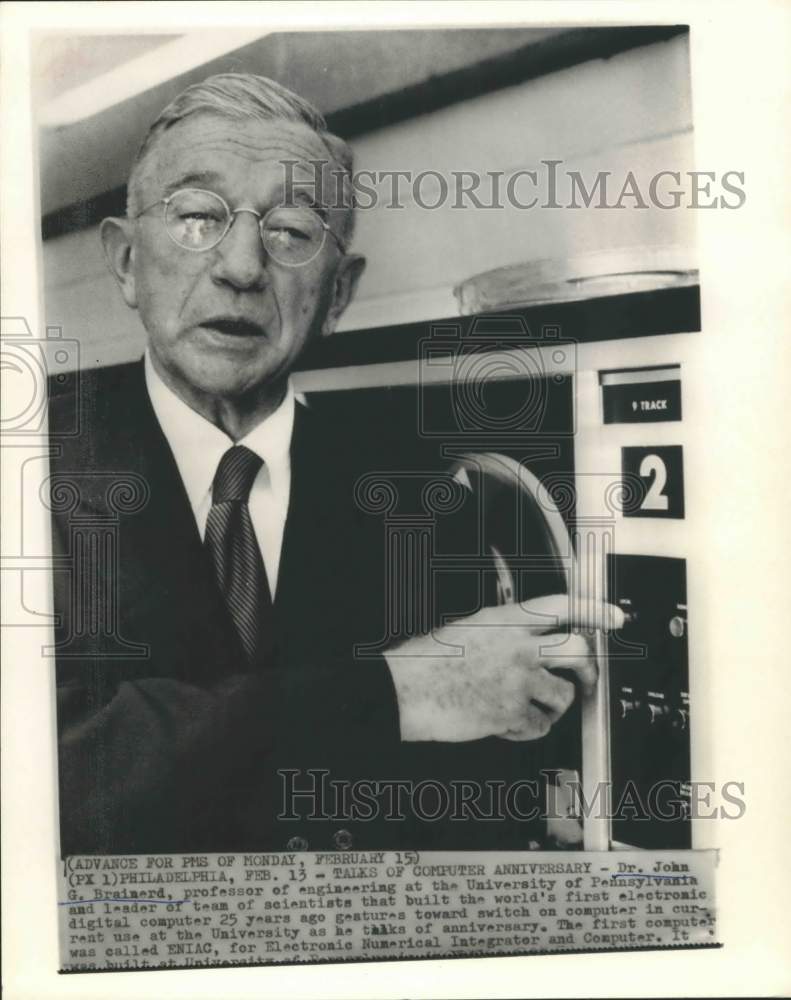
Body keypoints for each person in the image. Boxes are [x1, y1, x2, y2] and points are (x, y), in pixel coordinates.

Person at [48, 73, 621, 856]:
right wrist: (393, 696)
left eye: (291, 230)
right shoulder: (33, 472)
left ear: (339, 294)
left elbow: (468, 807)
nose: (242, 266)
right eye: (196, 218)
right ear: (123, 263)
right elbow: (52, 769)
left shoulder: (424, 504)